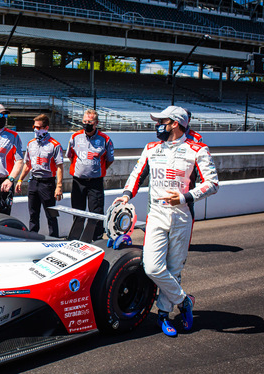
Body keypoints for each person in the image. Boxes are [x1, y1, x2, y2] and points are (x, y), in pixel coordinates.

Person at [113, 105, 219, 337]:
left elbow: (212, 183)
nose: (157, 125)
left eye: (162, 121)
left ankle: (163, 315)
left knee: (174, 268)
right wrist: (126, 194)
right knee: (152, 267)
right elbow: (137, 174)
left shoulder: (197, 149)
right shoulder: (151, 148)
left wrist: (184, 197)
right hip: (157, 215)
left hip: (182, 217)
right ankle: (184, 301)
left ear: (175, 123)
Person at [66, 109, 114, 241]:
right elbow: (71, 156)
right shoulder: (75, 137)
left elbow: (109, 160)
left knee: (96, 212)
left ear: (96, 123)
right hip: (78, 181)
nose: (87, 124)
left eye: (90, 122)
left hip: (95, 182)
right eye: (85, 121)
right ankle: (76, 238)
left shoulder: (105, 139)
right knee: (77, 211)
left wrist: (94, 169)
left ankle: (97, 239)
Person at [16, 114, 63, 237]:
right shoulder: (31, 144)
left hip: (47, 183)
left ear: (46, 128)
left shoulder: (54, 145)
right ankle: (33, 238)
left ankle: (54, 239)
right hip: (33, 182)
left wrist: (59, 186)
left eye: (39, 127)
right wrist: (20, 179)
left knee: (51, 215)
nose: (36, 129)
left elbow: (60, 167)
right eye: (34, 127)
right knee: (33, 214)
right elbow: (27, 165)